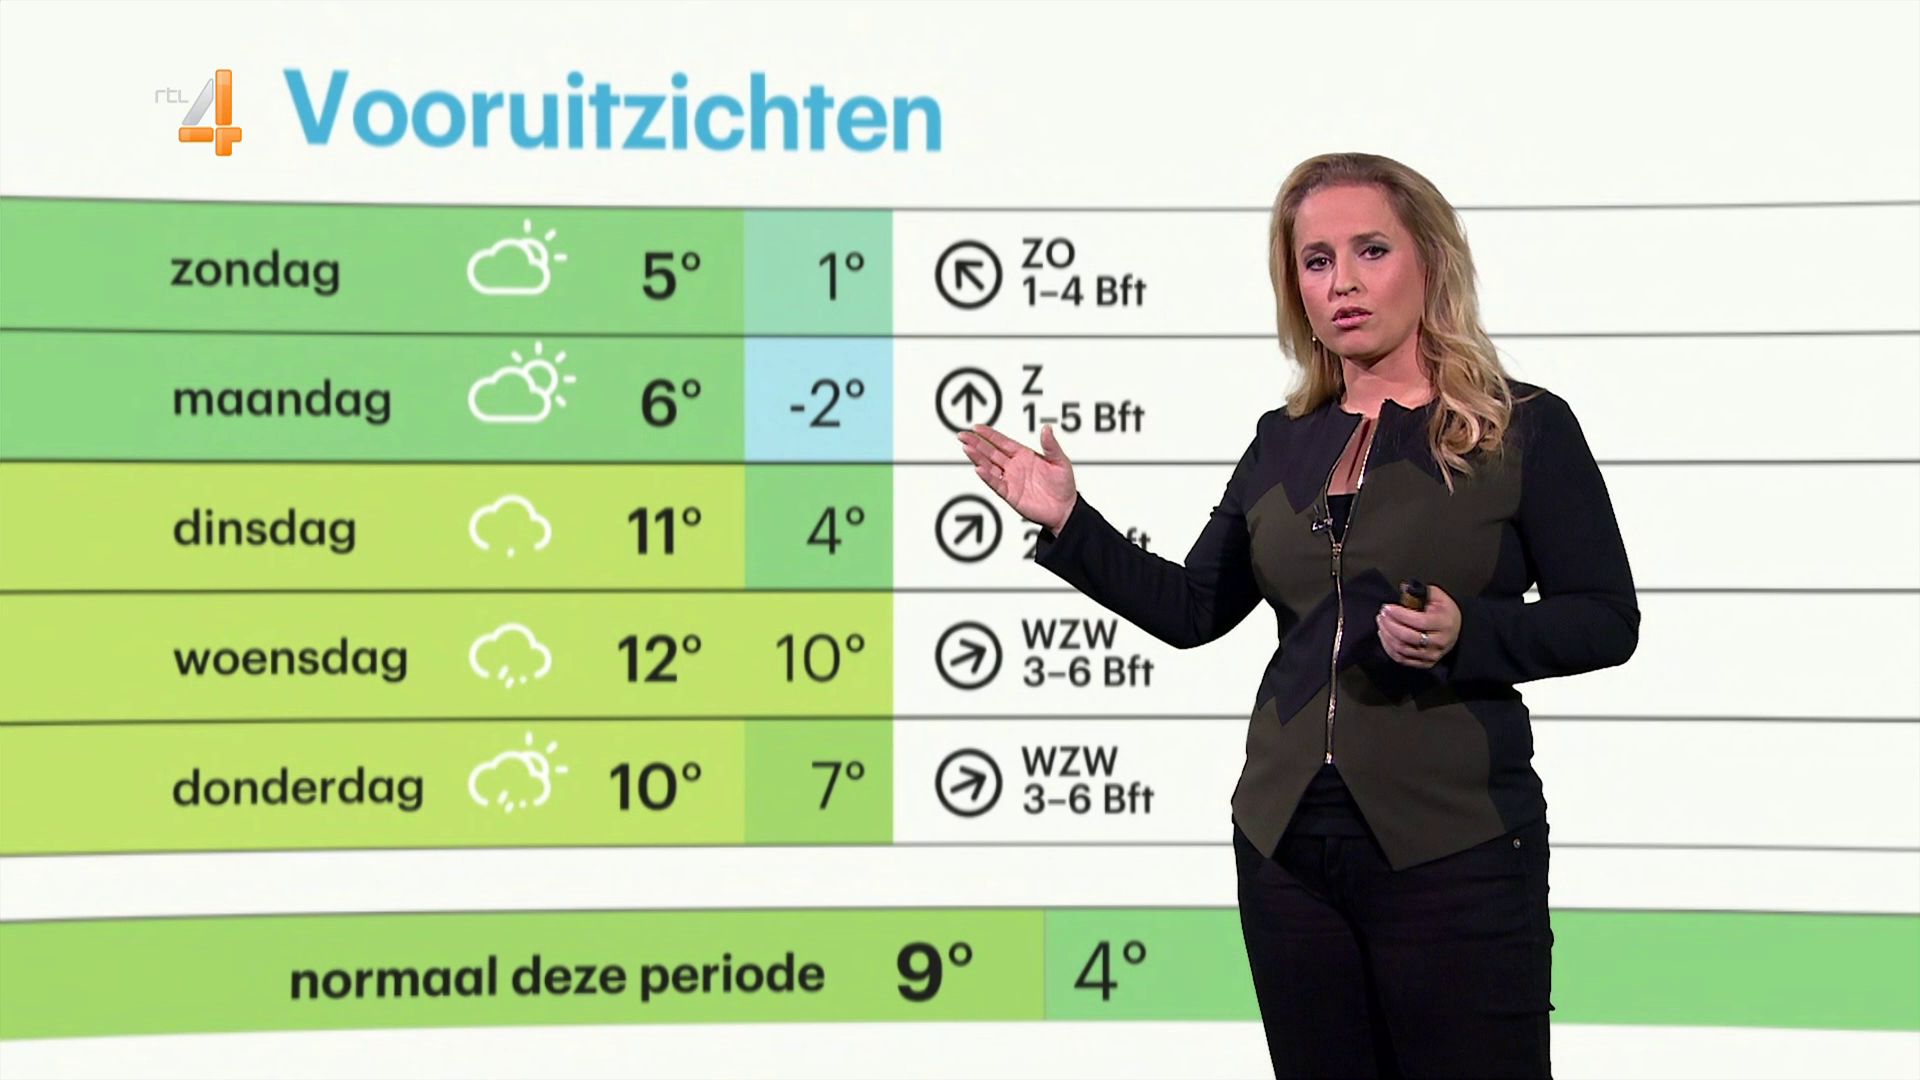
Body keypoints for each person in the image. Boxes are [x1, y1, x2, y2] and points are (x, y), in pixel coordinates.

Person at [955, 152, 1639, 1078]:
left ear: (1430, 262)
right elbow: (1195, 607)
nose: (1343, 282)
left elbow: (1606, 618)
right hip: (1286, 852)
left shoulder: (1523, 427)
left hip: (1457, 845)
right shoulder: (1282, 442)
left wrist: (1469, 635)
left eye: (1370, 251)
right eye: (1317, 261)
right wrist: (1072, 523)